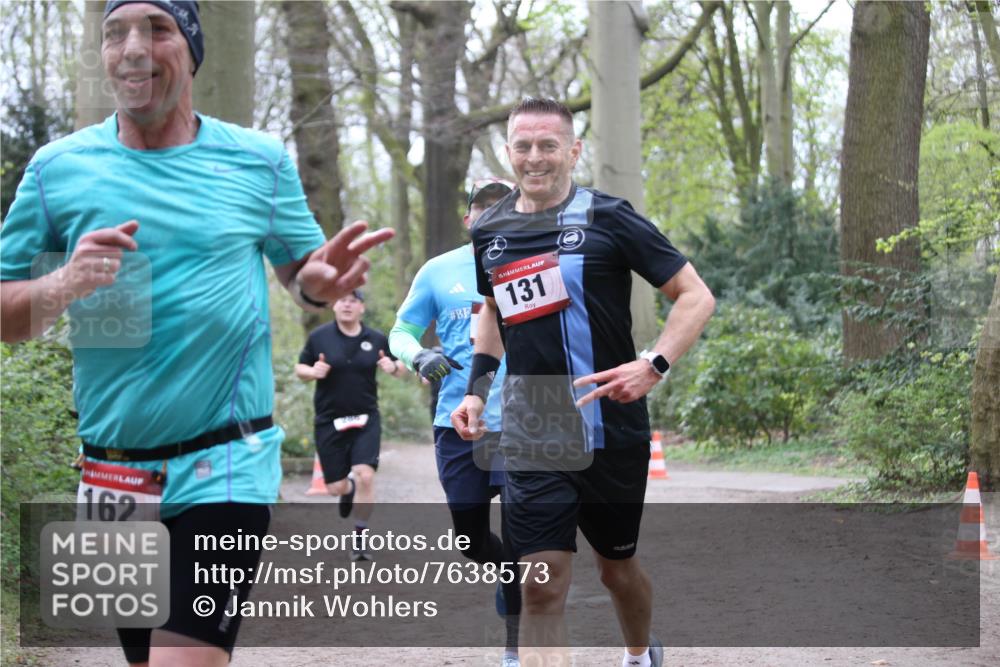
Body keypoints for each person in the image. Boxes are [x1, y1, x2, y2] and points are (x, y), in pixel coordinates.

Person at [0, 2, 393, 665]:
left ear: (191, 48)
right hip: (112, 473)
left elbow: (304, 273)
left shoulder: (258, 162)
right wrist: (62, 284)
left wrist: (317, 286)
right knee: (141, 658)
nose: (132, 47)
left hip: (228, 461)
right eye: (115, 32)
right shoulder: (54, 170)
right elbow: (9, 316)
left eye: (156, 29)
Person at [451, 98, 715, 667]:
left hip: (610, 417)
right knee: (541, 586)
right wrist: (476, 389)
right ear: (508, 153)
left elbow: (695, 296)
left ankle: (641, 652)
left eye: (549, 145)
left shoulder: (610, 217)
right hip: (535, 421)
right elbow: (494, 314)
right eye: (523, 145)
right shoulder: (490, 231)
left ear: (572, 151)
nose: (535, 157)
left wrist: (654, 364)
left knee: (617, 569)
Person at [389, 176, 521, 667]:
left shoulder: (537, 264)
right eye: (481, 208)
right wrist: (417, 354)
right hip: (457, 422)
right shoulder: (439, 271)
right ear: (468, 219)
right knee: (469, 539)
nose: (489, 214)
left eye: (501, 206)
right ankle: (509, 570)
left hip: (522, 422)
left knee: (522, 531)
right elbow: (400, 330)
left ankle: (514, 646)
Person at [295, 289, 406, 561]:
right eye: (342, 300)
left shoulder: (376, 339)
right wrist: (313, 372)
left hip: (366, 418)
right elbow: (300, 369)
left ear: (362, 308)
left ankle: (360, 539)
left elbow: (402, 366)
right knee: (335, 487)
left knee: (365, 473)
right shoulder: (319, 337)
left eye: (353, 301)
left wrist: (394, 368)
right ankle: (348, 489)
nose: (347, 304)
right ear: (334, 306)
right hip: (328, 420)